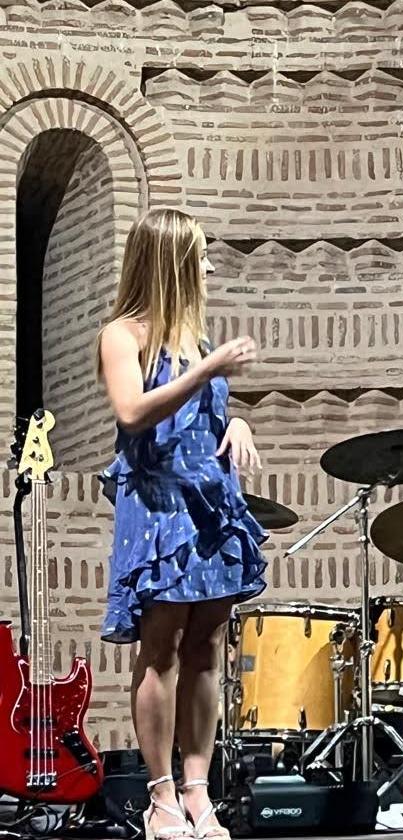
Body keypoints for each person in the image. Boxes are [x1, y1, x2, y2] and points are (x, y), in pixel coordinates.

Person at [97, 208, 266, 840]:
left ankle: (198, 791)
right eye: (200, 255)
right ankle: (160, 794)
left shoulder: (196, 341)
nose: (211, 266)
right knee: (160, 650)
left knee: (206, 652)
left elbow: (207, 413)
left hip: (210, 503)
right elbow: (133, 411)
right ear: (170, 262)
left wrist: (238, 422)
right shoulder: (124, 334)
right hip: (160, 507)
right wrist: (206, 370)